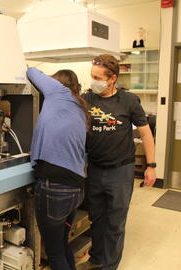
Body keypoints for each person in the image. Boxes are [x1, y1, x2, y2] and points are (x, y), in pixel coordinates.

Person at [77, 54, 156, 270]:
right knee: (97, 219)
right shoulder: (88, 99)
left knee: (115, 222)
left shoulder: (129, 101)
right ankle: (96, 259)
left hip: (120, 171)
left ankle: (109, 266)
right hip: (94, 169)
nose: (93, 81)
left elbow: (146, 135)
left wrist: (151, 166)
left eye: (97, 77)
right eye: (91, 76)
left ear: (112, 78)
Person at [27, 67, 89, 270]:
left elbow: (32, 72)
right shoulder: (78, 108)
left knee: (54, 254)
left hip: (55, 189)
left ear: (58, 83)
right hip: (75, 188)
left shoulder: (59, 93)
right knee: (62, 245)